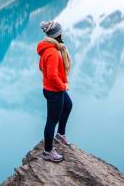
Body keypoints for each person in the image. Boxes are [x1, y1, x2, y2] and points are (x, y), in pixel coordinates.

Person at [37, 20, 72, 163]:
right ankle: (48, 152)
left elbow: (41, 66)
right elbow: (51, 75)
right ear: (57, 35)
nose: (62, 33)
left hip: (52, 89)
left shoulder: (50, 48)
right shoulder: (52, 52)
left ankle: (60, 134)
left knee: (68, 105)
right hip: (54, 91)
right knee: (52, 121)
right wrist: (62, 86)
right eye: (61, 32)